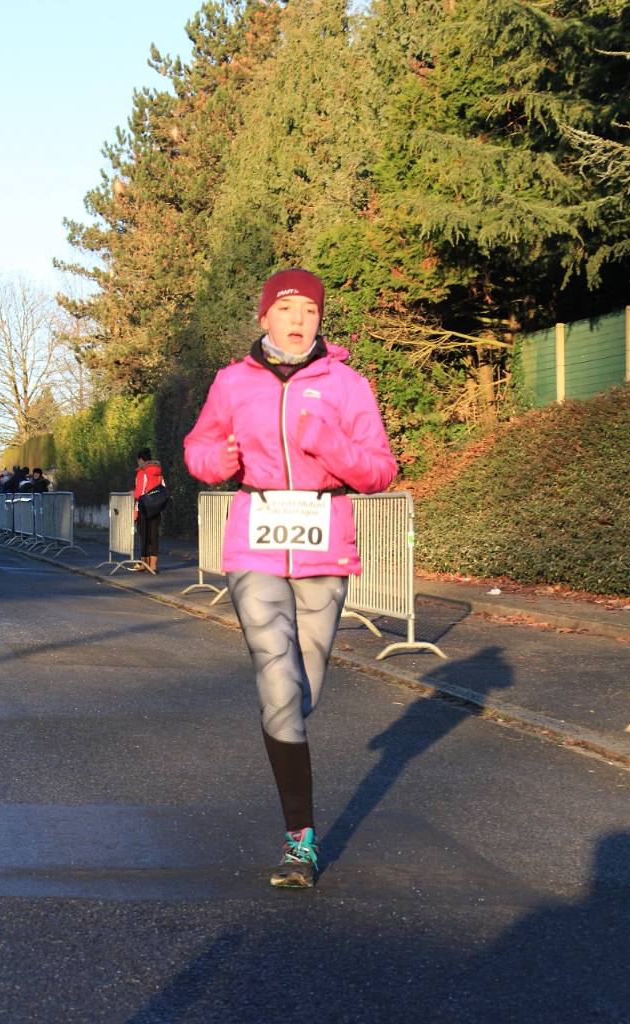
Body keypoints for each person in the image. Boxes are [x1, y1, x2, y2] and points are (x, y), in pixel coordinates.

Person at [184, 268, 397, 887]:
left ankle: (286, 726)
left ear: (320, 319)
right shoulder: (232, 382)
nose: (298, 319)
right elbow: (197, 448)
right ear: (264, 317)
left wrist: (329, 444)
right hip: (253, 545)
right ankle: (300, 841)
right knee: (277, 678)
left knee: (303, 690)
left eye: (309, 309)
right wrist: (216, 461)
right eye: (286, 308)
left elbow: (380, 470)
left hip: (323, 549)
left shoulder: (348, 385)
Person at [131, 447, 165, 573]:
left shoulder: (142, 473)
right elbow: (164, 488)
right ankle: (153, 565)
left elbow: (139, 492)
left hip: (144, 508)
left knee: (144, 536)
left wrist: (135, 507)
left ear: (141, 460)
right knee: (154, 536)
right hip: (156, 508)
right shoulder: (159, 473)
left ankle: (144, 563)